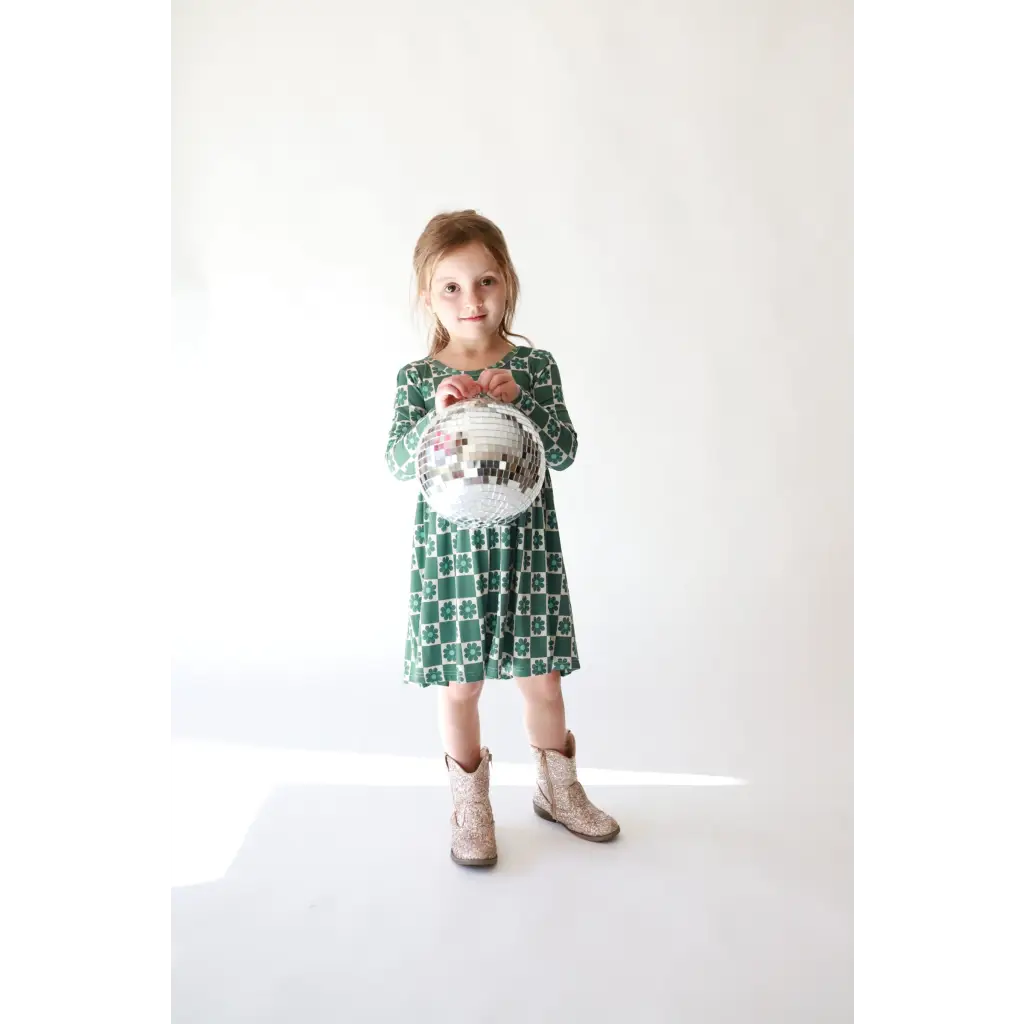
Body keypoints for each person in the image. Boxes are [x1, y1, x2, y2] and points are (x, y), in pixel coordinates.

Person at [385, 210, 619, 867]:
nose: (472, 299)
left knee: (541, 678)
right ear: (427, 295)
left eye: (485, 281)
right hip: (451, 556)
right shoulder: (415, 380)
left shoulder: (535, 367)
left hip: (528, 550)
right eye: (451, 286)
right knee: (459, 687)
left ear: (508, 283)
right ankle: (471, 807)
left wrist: (525, 403)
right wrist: (437, 414)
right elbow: (399, 463)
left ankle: (558, 789)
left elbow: (565, 450)